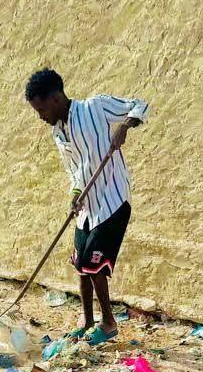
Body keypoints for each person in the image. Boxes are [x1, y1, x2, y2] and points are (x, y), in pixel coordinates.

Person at [25, 68, 149, 345]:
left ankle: (108, 323)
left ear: (56, 98)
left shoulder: (97, 107)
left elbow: (140, 104)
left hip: (113, 199)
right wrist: (76, 192)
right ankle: (88, 320)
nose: (41, 117)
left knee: (93, 264)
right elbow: (75, 171)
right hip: (87, 206)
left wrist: (124, 126)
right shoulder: (58, 133)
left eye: (42, 109)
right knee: (80, 265)